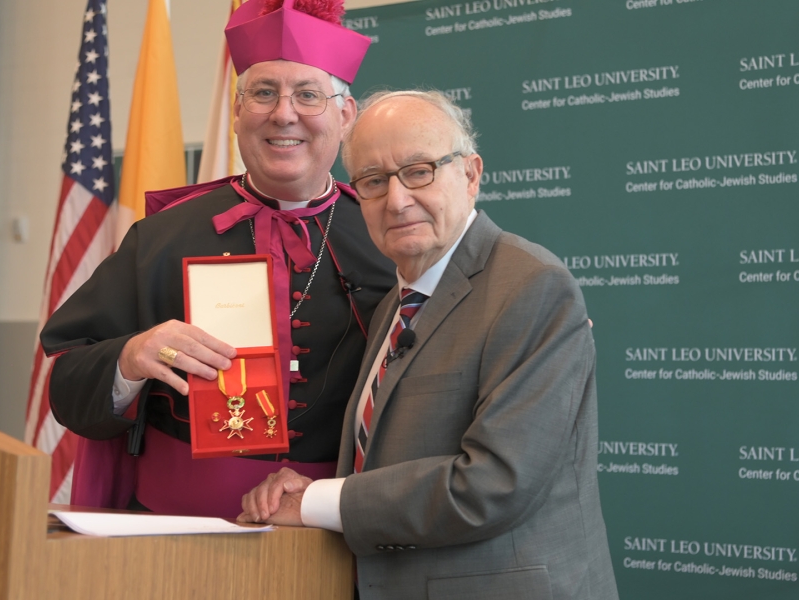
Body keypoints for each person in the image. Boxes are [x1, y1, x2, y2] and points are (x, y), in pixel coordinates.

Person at [239, 90, 619, 599]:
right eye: (373, 182)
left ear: (470, 174)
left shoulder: (531, 287)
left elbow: (492, 484)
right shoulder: (391, 307)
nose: (397, 200)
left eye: (419, 170)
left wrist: (316, 502)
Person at [40, 0, 396, 519]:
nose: (283, 113)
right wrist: (131, 358)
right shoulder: (160, 236)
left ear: (346, 116)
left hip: (333, 531)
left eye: (308, 95)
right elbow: (67, 385)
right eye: (264, 93)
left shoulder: (388, 235)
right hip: (174, 531)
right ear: (236, 111)